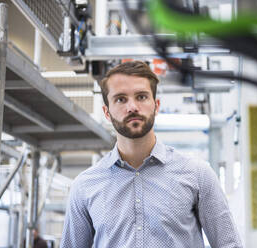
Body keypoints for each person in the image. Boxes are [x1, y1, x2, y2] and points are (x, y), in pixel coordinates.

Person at [60, 61, 242, 248]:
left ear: (156, 105)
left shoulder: (197, 174)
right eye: (121, 99)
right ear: (107, 112)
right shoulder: (85, 186)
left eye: (141, 97)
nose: (132, 107)